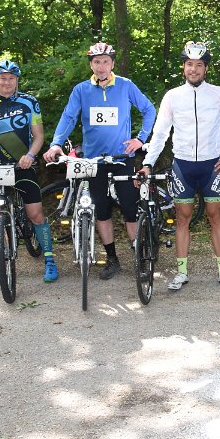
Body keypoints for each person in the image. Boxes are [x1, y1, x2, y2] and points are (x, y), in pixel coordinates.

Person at [139, 42, 220, 292]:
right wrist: (148, 163)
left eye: (199, 65)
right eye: (189, 64)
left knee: (216, 217)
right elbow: (160, 133)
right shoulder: (172, 96)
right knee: (182, 219)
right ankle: (181, 273)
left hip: (213, 166)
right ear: (183, 67)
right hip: (183, 166)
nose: (194, 69)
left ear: (206, 69)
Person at [43, 42, 157, 280]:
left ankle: (139, 257)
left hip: (121, 158)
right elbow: (68, 116)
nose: (101, 66)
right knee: (101, 211)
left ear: (112, 63)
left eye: (106, 61)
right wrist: (56, 143)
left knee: (129, 209)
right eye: (97, 62)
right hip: (93, 161)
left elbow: (149, 109)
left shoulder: (125, 85)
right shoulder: (81, 90)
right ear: (91, 65)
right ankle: (112, 259)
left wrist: (140, 139)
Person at [0, 59, 58, 285]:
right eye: (2, 78)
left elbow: (39, 136)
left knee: (35, 214)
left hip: (22, 165)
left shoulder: (29, 102)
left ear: (17, 80)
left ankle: (50, 260)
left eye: (12, 78)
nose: (7, 82)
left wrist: (31, 155)